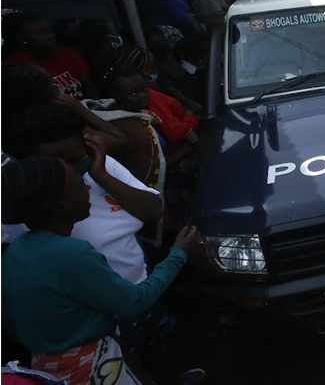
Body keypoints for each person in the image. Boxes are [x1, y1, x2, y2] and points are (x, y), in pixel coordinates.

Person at [1, 156, 198, 385]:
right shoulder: (73, 254)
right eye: (79, 185)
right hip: (93, 368)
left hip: (46, 365)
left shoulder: (16, 251)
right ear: (62, 206)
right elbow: (134, 301)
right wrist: (177, 254)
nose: (87, 187)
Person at [3, 104, 162, 285]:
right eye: (58, 162)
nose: (69, 170)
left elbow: (153, 210)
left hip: (139, 279)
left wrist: (102, 176)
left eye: (75, 160)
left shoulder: (99, 164)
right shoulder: (16, 195)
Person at [3, 14, 99, 99]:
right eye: (41, 33)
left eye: (49, 31)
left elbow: (89, 88)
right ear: (22, 38)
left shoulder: (67, 53)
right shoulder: (16, 65)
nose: (51, 36)